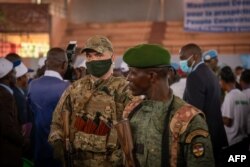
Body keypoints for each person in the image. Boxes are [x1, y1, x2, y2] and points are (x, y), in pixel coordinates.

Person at [123, 44, 215, 167]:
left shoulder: (189, 120)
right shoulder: (131, 110)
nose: (127, 78)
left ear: (152, 76)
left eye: (132, 72)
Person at [48, 35, 133, 167]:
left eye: (98, 55)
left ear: (112, 58)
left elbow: (135, 132)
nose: (93, 60)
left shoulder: (124, 90)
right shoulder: (75, 88)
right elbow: (56, 122)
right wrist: (57, 140)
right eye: (89, 56)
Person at [179, 43, 228, 165]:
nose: (181, 62)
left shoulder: (194, 76)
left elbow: (194, 113)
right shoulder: (211, 74)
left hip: (202, 138)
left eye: (183, 58)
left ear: (194, 57)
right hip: (216, 134)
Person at [28, 48, 70, 167]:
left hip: (37, 150)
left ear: (46, 63)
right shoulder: (67, 87)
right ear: (64, 64)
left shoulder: (32, 85)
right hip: (59, 153)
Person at [219, 66, 249, 161]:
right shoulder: (243, 96)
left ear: (223, 80)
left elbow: (228, 121)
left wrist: (215, 117)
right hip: (243, 142)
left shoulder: (229, 97)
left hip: (231, 144)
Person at [0, 58, 25, 167]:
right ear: (9, 76)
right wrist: (23, 140)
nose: (16, 75)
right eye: (14, 72)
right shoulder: (5, 96)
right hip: (8, 152)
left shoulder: (5, 92)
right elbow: (7, 127)